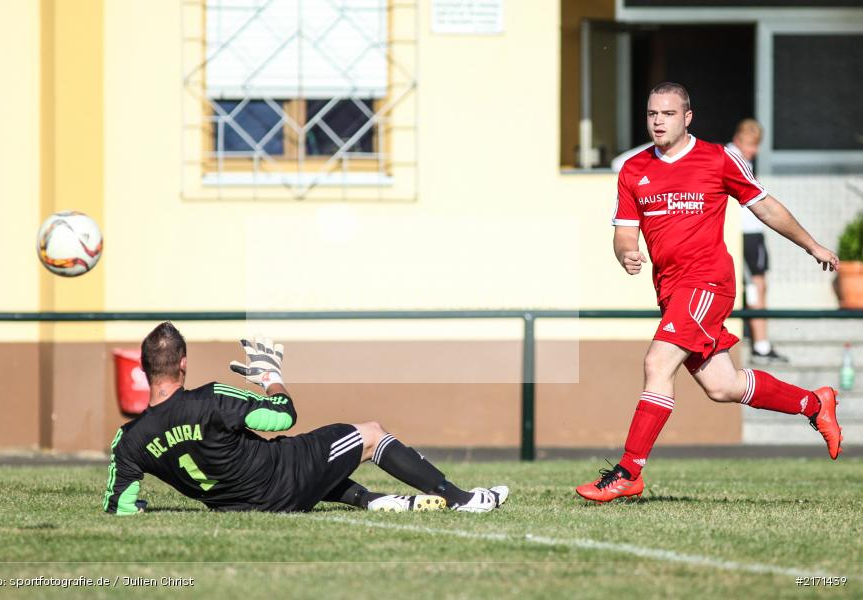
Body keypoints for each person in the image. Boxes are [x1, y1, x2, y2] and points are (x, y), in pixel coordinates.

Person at [576, 82, 844, 503]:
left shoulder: (718, 159)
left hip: (707, 282)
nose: (658, 121)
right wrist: (627, 253)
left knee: (657, 362)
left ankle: (628, 471)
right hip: (671, 289)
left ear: (687, 117)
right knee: (723, 386)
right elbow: (624, 232)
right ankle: (814, 403)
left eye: (667, 114)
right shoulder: (634, 169)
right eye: (652, 114)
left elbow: (765, 205)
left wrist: (812, 246)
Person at [104, 321, 508, 515]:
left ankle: (369, 500)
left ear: (144, 369)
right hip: (283, 482)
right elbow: (283, 418)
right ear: (184, 364)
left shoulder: (129, 440)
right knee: (368, 433)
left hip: (238, 507)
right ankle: (464, 500)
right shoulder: (210, 399)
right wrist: (271, 379)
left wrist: (138, 509)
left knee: (314, 458)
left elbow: (118, 505)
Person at [728, 119, 787, 364]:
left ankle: (761, 343)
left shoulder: (742, 158)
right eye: (751, 144)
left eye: (757, 145)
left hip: (750, 232)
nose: (755, 150)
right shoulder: (732, 157)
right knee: (756, 286)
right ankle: (761, 346)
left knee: (757, 286)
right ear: (739, 139)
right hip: (745, 232)